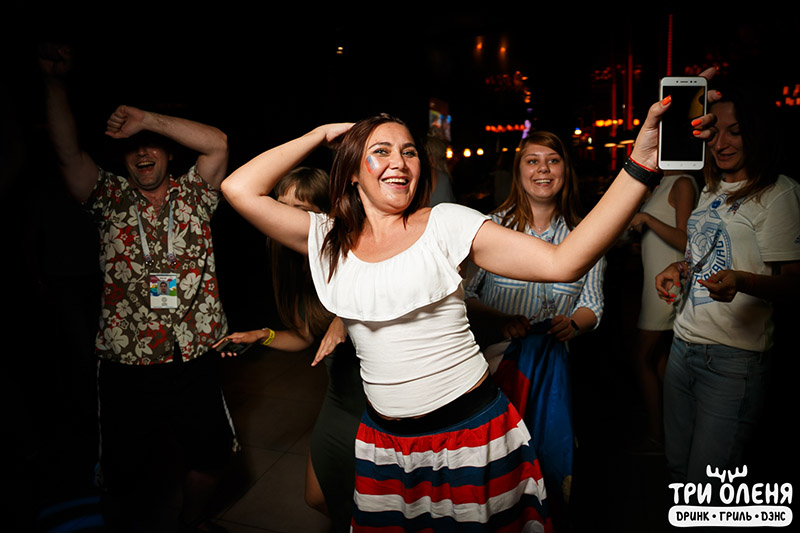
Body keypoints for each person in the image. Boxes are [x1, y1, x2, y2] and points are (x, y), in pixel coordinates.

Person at [220, 74, 718, 530]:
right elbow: (238, 188)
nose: (399, 162)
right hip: (385, 444)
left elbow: (565, 261)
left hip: (468, 436)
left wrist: (640, 165)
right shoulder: (329, 238)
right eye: (380, 151)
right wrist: (321, 133)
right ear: (351, 171)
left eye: (409, 152)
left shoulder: (446, 223)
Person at [40, 43, 236, 532]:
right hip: (126, 364)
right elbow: (67, 153)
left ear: (168, 150)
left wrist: (147, 119)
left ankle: (187, 522)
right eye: (133, 147)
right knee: (124, 474)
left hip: (194, 354)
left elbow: (217, 143)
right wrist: (55, 83)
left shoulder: (196, 193)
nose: (143, 152)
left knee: (212, 457)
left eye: (151, 144)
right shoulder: (108, 196)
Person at [656, 80, 800, 487]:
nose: (721, 143)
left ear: (757, 133)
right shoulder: (713, 187)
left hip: (734, 361)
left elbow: (794, 285)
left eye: (734, 131)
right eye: (714, 131)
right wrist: (678, 268)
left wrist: (742, 281)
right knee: (678, 469)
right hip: (683, 345)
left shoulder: (779, 193)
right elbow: (702, 253)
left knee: (709, 486)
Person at [463, 130, 605, 527]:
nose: (543, 169)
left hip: (553, 373)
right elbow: (464, 295)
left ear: (565, 171)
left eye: (553, 160)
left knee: (546, 459)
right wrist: (499, 319)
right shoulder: (491, 229)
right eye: (533, 160)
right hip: (495, 371)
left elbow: (593, 304)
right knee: (496, 464)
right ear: (518, 171)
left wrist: (573, 323)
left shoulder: (585, 235)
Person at [213, 167, 365, 532]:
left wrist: (345, 317)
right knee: (317, 496)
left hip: (375, 397)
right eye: (281, 205)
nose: (283, 216)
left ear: (327, 215)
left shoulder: (354, 250)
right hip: (339, 396)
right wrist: (262, 336)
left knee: (376, 500)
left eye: (301, 209)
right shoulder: (292, 263)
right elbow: (303, 336)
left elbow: (383, 286)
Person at [627, 170, 699, 451]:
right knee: (659, 359)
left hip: (668, 284)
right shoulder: (662, 183)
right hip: (654, 282)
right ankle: (674, 430)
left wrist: (647, 219)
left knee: (642, 357)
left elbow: (686, 242)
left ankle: (658, 432)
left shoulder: (682, 182)